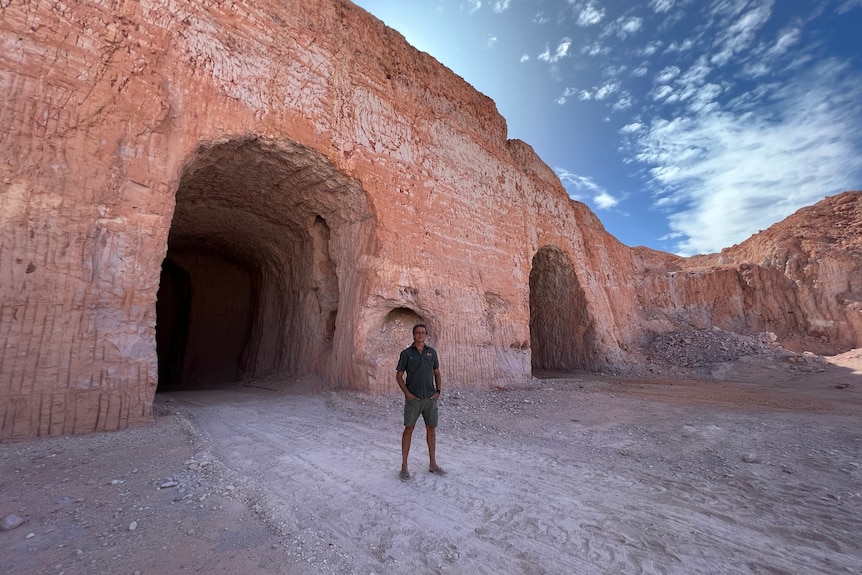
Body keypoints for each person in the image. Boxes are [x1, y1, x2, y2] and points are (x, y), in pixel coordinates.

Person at [396, 323, 445, 481]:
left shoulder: (432, 353)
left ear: (426, 335)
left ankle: (433, 464)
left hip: (430, 399)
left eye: (423, 332)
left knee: (431, 429)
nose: (420, 334)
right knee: (408, 429)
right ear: (413, 335)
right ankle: (404, 466)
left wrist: (438, 391)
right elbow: (399, 376)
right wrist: (408, 394)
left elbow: (436, 372)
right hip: (414, 399)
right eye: (417, 332)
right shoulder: (406, 354)